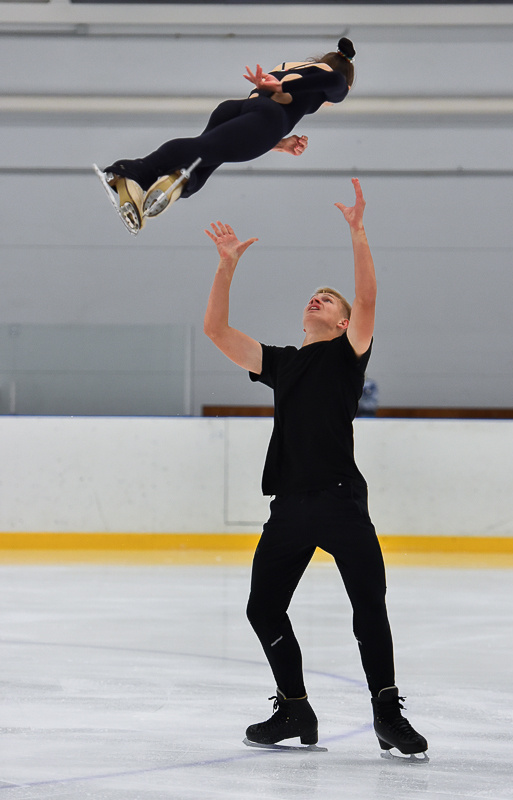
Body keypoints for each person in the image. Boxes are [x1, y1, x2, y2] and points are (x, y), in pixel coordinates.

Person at [203, 178, 429, 760]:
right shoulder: (282, 364)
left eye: (329, 301)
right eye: (314, 297)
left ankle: (387, 713)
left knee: (368, 606)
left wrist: (358, 232)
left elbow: (368, 301)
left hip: (340, 501)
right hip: (290, 508)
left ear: (342, 324)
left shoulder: (346, 357)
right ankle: (295, 708)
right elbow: (217, 332)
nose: (317, 300)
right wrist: (226, 266)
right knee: (262, 607)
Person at [97, 37, 356, 234]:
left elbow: (255, 118)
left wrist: (278, 143)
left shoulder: (290, 66)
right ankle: (135, 172)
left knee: (200, 163)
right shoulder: (328, 81)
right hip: (268, 119)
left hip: (238, 110)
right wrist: (284, 86)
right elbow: (336, 84)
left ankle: (173, 185)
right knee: (201, 150)